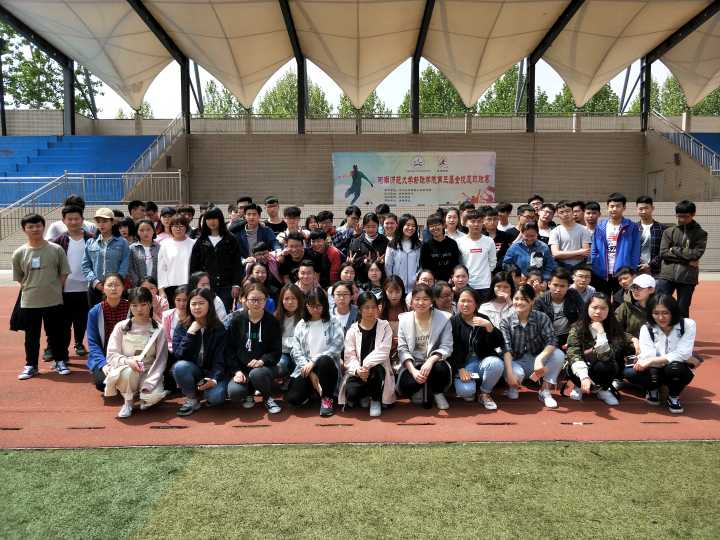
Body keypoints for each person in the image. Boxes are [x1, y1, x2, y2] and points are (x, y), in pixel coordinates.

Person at [14, 213, 71, 380]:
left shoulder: (56, 249)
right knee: (31, 336)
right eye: (30, 227)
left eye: (38, 226)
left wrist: (54, 288)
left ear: (43, 227)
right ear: (24, 229)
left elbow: (64, 272)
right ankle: (31, 365)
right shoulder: (19, 253)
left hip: (53, 300)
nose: (35, 229)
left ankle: (60, 361)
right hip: (30, 301)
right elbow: (19, 278)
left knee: (55, 333)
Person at [104, 287, 168, 418]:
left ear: (150, 304)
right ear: (130, 306)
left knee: (152, 397)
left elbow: (161, 360)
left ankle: (144, 396)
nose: (139, 309)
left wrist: (150, 382)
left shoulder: (159, 329)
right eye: (134, 305)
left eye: (143, 304)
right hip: (126, 368)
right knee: (129, 371)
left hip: (148, 371)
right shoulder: (121, 327)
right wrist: (128, 361)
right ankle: (128, 401)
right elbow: (111, 355)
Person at [626, 294, 696, 413]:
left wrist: (653, 360)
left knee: (675, 368)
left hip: (675, 367)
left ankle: (673, 396)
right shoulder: (646, 328)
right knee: (630, 373)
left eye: (665, 313)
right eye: (656, 313)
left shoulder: (688, 325)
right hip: (655, 368)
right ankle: (652, 388)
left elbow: (683, 354)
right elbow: (648, 355)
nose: (661, 317)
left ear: (673, 311)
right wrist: (654, 361)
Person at [500, 284, 565, 408]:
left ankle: (545, 390)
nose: (519, 302)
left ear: (532, 301)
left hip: (536, 360)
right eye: (516, 298)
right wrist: (509, 373)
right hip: (516, 361)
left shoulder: (542, 317)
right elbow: (506, 348)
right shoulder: (506, 321)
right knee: (515, 376)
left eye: (524, 299)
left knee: (558, 354)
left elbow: (552, 340)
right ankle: (512, 387)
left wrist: (540, 358)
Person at [565, 292, 634, 406]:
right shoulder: (577, 328)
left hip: (600, 366)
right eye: (594, 307)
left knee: (608, 365)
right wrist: (584, 377)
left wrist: (601, 333)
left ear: (609, 310)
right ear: (587, 308)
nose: (598, 311)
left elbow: (606, 356)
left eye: (603, 308)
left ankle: (603, 389)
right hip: (580, 368)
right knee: (571, 364)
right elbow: (573, 353)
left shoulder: (613, 328)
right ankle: (578, 386)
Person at [226, 283, 283, 414]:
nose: (256, 303)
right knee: (234, 392)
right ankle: (248, 393)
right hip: (242, 369)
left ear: (266, 300)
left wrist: (262, 361)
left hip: (264, 368)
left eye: (260, 299)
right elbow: (230, 349)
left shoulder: (272, 322)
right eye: (253, 299)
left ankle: (267, 398)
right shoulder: (237, 320)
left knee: (257, 373)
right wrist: (236, 371)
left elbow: (276, 351)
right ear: (245, 300)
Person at [287, 288, 345, 416]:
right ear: (306, 305)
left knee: (324, 361)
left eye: (319, 306)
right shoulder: (301, 325)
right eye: (311, 306)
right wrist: (311, 372)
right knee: (293, 399)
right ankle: (313, 391)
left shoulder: (334, 322)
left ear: (325, 305)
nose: (315, 309)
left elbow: (337, 346)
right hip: (306, 368)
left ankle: (327, 398)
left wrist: (314, 361)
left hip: (327, 367)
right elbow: (296, 351)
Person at [171, 287, 228, 416]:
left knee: (216, 398)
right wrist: (190, 333)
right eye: (193, 304)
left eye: (201, 303)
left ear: (209, 305)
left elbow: (220, 359)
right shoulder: (182, 326)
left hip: (212, 373)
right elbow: (178, 355)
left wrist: (214, 379)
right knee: (180, 367)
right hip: (194, 371)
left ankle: (207, 392)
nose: (197, 307)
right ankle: (192, 398)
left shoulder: (218, 328)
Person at [396, 283, 453, 409]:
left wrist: (430, 361)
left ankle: (437, 392)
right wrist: (413, 371)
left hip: (434, 363)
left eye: (425, 299)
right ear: (412, 301)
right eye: (417, 299)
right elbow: (402, 349)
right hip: (413, 362)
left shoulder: (443, 318)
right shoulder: (404, 320)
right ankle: (422, 389)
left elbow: (447, 346)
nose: (421, 303)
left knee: (440, 369)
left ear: (432, 301)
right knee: (407, 384)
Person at [339, 292, 395, 416]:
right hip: (358, 371)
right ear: (359, 309)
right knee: (352, 394)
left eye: (373, 307)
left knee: (376, 369)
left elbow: (384, 351)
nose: (370, 311)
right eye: (366, 307)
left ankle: (375, 400)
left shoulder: (385, 326)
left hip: (376, 370)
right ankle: (365, 395)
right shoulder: (352, 330)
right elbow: (349, 356)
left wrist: (365, 365)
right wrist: (358, 370)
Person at [450, 287, 505, 409]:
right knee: (466, 392)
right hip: (465, 365)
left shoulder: (483, 319)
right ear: (457, 303)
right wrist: (460, 368)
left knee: (496, 364)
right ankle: (473, 386)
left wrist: (489, 327)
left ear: (476, 304)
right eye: (462, 301)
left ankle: (485, 393)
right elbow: (452, 348)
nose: (465, 304)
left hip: (482, 363)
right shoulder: (453, 321)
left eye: (469, 301)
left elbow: (498, 343)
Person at [50, 205, 92, 359]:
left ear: (82, 220)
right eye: (70, 219)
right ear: (64, 221)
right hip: (65, 289)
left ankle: (79, 342)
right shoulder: (58, 241)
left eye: (76, 219)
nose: (73, 222)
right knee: (64, 323)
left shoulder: (92, 238)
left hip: (86, 288)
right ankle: (63, 353)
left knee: (82, 320)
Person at [656, 200, 707, 319]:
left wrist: (674, 249)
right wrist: (687, 260)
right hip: (667, 275)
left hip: (687, 277)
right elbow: (663, 253)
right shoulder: (669, 231)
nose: (682, 219)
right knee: (660, 304)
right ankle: (660, 329)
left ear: (693, 214)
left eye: (685, 216)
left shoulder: (701, 233)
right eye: (679, 216)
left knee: (682, 309)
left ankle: (682, 330)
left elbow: (696, 254)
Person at [189, 207, 244, 311]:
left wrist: (236, 284)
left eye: (215, 218)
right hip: (205, 286)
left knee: (224, 313)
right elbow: (194, 266)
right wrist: (195, 285)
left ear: (220, 219)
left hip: (226, 287)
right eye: (209, 219)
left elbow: (237, 264)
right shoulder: (201, 241)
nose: (212, 221)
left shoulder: (231, 239)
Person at [590, 193, 640, 295]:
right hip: (602, 273)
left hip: (623, 273)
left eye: (618, 206)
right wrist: (596, 265)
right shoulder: (600, 227)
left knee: (621, 301)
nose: (614, 209)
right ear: (607, 207)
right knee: (602, 300)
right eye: (611, 206)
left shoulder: (631, 227)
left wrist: (631, 270)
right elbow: (594, 250)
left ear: (624, 208)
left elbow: (636, 251)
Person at [86, 274, 129, 391]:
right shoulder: (95, 312)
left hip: (126, 354)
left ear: (123, 287)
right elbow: (93, 343)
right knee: (102, 383)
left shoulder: (131, 308)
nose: (113, 288)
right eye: (110, 285)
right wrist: (103, 364)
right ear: (103, 288)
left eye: (117, 285)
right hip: (103, 354)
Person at [82, 207, 130, 307]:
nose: (101, 224)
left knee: (117, 315)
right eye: (98, 221)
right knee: (96, 315)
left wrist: (115, 283)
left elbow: (125, 265)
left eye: (104, 221)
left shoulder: (122, 242)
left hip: (116, 289)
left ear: (112, 222)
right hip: (95, 289)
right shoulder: (90, 242)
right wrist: (96, 283)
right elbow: (85, 266)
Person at [533, 267, 585, 348]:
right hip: (548, 337)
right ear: (549, 284)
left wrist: (575, 329)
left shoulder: (573, 294)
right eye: (555, 285)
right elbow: (535, 323)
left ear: (568, 287)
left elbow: (584, 312)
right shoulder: (540, 300)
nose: (558, 289)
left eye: (562, 286)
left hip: (570, 335)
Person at [457, 209, 496, 301]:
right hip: (467, 284)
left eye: (479, 221)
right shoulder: (459, 242)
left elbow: (493, 261)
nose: (476, 224)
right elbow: (459, 263)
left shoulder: (489, 241)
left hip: (485, 284)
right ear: (466, 223)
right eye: (473, 221)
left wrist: (486, 273)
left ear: (483, 223)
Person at [157, 215, 195, 308]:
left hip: (190, 285)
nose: (178, 229)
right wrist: (161, 290)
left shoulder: (193, 244)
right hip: (171, 287)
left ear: (186, 227)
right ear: (170, 228)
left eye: (181, 226)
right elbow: (161, 269)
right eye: (175, 226)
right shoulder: (165, 245)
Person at [549, 200, 592, 269]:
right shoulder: (554, 232)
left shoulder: (584, 229)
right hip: (561, 267)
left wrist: (562, 255)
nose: (565, 214)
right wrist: (579, 252)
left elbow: (585, 253)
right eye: (561, 212)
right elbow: (555, 254)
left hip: (580, 266)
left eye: (568, 211)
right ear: (557, 215)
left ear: (572, 212)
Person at [385, 214, 422, 291]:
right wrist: (392, 283)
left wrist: (417, 278)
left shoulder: (418, 245)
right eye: (408, 225)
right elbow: (388, 266)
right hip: (397, 287)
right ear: (401, 226)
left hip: (414, 287)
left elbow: (421, 265)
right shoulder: (392, 245)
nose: (410, 228)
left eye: (413, 226)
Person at [615, 273, 656, 343]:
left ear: (651, 290)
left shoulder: (661, 308)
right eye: (633, 287)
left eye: (639, 288)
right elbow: (613, 328)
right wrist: (631, 338)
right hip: (631, 346)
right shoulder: (625, 307)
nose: (635, 291)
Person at [275, 283, 304, 379]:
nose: (290, 302)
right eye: (286, 299)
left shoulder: (305, 317)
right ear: (281, 301)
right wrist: (290, 341)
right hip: (282, 353)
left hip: (300, 353)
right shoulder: (276, 317)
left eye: (293, 298)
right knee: (280, 364)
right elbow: (274, 340)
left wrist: (285, 340)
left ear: (299, 300)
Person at [420, 213, 460, 283]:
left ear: (443, 225)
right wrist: (432, 279)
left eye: (437, 225)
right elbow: (425, 266)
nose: (434, 228)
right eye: (431, 226)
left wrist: (452, 277)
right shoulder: (426, 246)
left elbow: (455, 263)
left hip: (450, 281)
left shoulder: (452, 243)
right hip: (432, 282)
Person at [348, 213, 388, 278]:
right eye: (368, 226)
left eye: (373, 226)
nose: (371, 229)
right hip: (362, 279)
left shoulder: (385, 241)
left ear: (378, 226)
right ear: (363, 226)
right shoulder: (356, 242)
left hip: (379, 279)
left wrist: (382, 263)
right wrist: (362, 261)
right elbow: (351, 262)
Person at [636, 196, 665, 276]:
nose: (644, 211)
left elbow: (663, 251)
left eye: (646, 208)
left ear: (652, 208)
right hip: (636, 269)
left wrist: (650, 265)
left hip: (656, 271)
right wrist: (639, 264)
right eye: (640, 209)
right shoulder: (633, 228)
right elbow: (629, 250)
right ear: (637, 209)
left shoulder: (662, 229)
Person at [127, 219, 159, 287]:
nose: (145, 233)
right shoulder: (132, 248)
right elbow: (130, 268)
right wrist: (139, 284)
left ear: (153, 230)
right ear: (137, 232)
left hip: (156, 285)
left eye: (148, 229)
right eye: (141, 230)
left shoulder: (160, 248)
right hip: (138, 286)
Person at [482, 208, 512, 273]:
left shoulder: (505, 236)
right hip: (483, 271)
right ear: (483, 221)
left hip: (501, 271)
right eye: (489, 219)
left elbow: (507, 254)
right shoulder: (480, 237)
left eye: (495, 219)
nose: (492, 222)